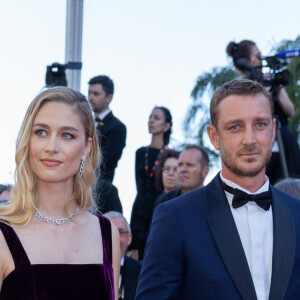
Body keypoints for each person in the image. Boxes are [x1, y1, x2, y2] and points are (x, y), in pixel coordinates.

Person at [135, 79, 300, 299]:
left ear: (272, 131)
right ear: (214, 137)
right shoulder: (175, 217)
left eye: (259, 124)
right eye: (235, 127)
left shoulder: (297, 215)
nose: (249, 139)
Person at [0, 87, 120, 299]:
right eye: (41, 132)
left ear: (86, 146)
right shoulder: (3, 234)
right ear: (28, 141)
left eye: (67, 135)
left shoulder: (107, 234)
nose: (51, 146)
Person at [226, 39, 300, 184]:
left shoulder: (269, 79)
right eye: (257, 56)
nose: (261, 59)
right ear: (245, 61)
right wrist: (263, 91)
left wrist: (276, 89)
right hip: (260, 142)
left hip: (283, 137)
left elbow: (290, 111)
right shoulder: (239, 88)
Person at [130, 106, 172, 260]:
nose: (151, 121)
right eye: (150, 117)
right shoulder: (140, 153)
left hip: (158, 209)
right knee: (134, 257)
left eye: (156, 118)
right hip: (138, 208)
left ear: (166, 126)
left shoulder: (170, 155)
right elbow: (139, 185)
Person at [88, 75, 127, 182]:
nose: (90, 97)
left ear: (109, 98)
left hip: (100, 185)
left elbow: (106, 162)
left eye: (96, 94)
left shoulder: (117, 127)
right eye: (89, 93)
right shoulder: (84, 122)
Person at [104, 211, 142, 300]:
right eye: (107, 231)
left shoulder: (142, 272)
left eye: (120, 232)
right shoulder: (87, 271)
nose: (114, 238)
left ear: (129, 238)